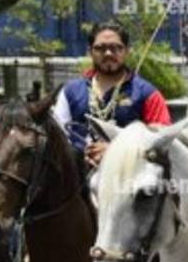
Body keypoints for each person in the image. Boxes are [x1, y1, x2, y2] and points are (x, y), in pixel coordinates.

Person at [52, 21, 171, 169]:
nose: (108, 53)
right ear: (90, 52)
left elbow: (163, 140)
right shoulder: (70, 92)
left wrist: (115, 151)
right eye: (100, 48)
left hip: (129, 178)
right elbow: (56, 140)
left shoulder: (147, 94)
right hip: (78, 177)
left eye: (116, 48)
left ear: (127, 51)